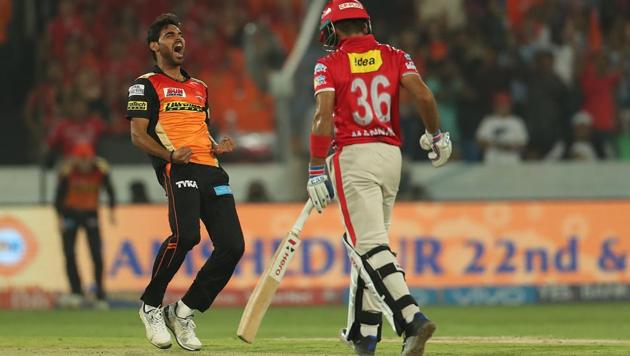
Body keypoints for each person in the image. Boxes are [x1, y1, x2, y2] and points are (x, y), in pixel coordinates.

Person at [306, 1, 452, 355]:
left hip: (353, 156)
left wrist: (313, 168)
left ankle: (411, 318)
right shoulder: (395, 55)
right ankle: (364, 335)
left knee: (370, 247)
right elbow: (424, 95)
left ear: (334, 30)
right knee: (369, 247)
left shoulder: (329, 63)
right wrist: (436, 135)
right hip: (391, 155)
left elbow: (323, 118)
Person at [126, 14, 244, 351]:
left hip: (212, 170)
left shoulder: (200, 88)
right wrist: (169, 156)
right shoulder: (144, 84)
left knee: (233, 246)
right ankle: (150, 305)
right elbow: (137, 135)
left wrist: (217, 145)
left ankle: (183, 311)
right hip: (179, 170)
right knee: (187, 235)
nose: (179, 39)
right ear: (154, 45)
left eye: (180, 34)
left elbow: (201, 131)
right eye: (168, 34)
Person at [54, 143, 115, 309]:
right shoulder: (68, 173)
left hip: (90, 214)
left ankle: (100, 293)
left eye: (86, 159)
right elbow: (58, 196)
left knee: (96, 254)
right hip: (70, 214)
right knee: (69, 253)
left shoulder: (100, 172)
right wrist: (59, 217)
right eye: (80, 159)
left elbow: (110, 190)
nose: (84, 163)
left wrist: (112, 210)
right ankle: (76, 291)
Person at [476, 92, 528, 164]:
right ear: (495, 105)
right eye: (500, 104)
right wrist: (496, 144)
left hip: (512, 164)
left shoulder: (517, 121)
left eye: (505, 104)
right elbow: (479, 141)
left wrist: (508, 146)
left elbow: (523, 144)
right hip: (491, 163)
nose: (502, 106)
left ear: (510, 105)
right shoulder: (488, 121)